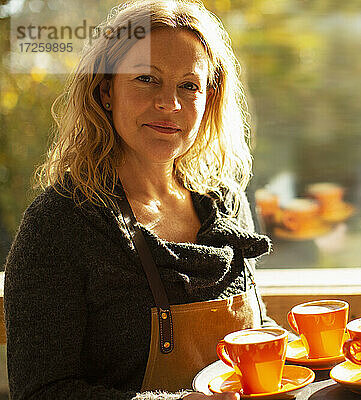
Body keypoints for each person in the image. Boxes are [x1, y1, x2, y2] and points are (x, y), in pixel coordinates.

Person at [3, 1, 275, 399]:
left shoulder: (226, 202)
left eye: (189, 85)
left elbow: (255, 334)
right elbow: (40, 390)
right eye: (147, 79)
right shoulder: (59, 223)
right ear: (105, 90)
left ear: (208, 98)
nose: (170, 104)